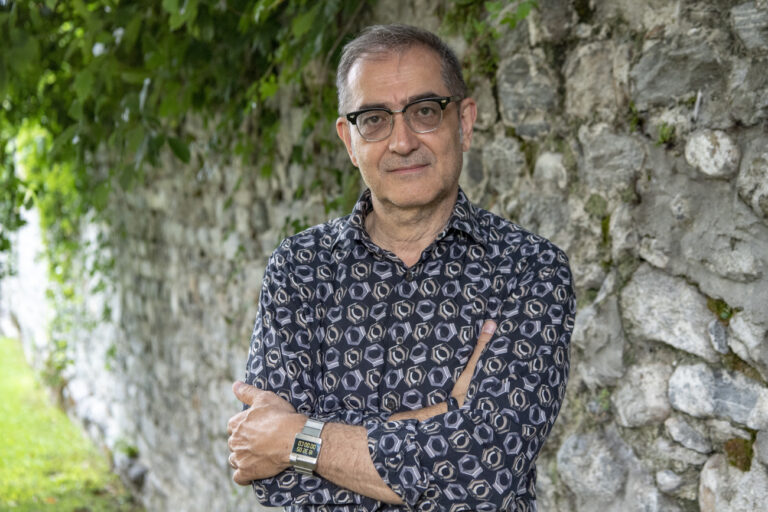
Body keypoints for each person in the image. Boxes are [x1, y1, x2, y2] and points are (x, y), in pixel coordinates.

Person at [227, 24, 575, 512]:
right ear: (350, 140)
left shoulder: (530, 270)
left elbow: (487, 469)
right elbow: (275, 478)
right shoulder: (300, 267)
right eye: (374, 119)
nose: (402, 140)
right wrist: (448, 416)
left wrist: (297, 440)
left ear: (465, 121)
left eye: (425, 111)